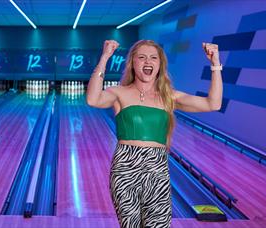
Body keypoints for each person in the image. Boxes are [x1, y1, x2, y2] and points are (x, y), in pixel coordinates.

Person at [86, 40, 222, 228]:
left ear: (160, 65)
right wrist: (105, 57)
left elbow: (213, 104)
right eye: (141, 57)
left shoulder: (169, 97)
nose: (147, 61)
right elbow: (93, 99)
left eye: (153, 58)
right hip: (125, 170)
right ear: (133, 63)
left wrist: (215, 64)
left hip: (157, 170)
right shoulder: (119, 93)